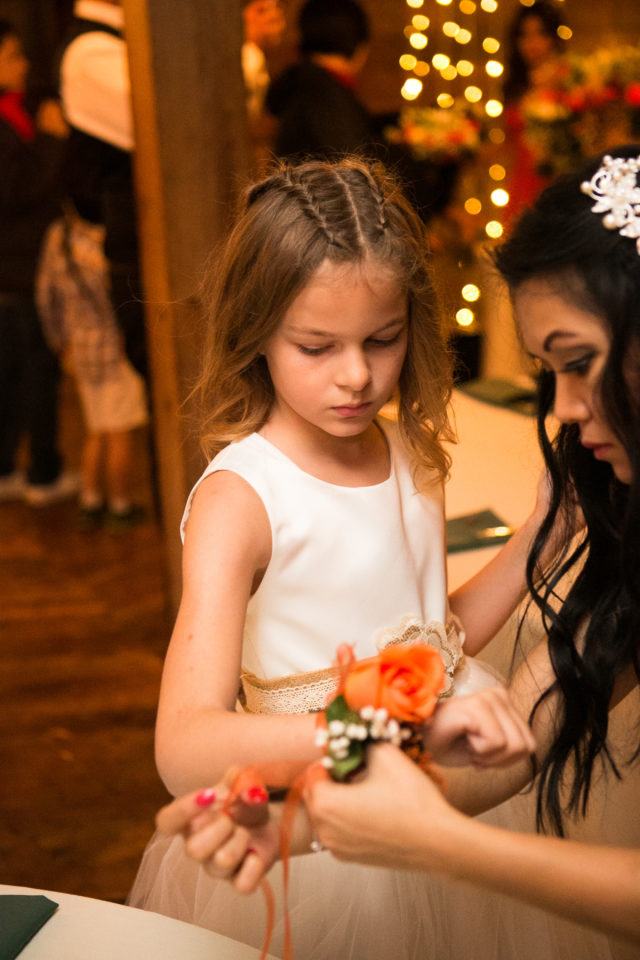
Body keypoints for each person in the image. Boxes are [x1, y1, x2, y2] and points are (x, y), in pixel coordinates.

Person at [163, 147, 640, 956]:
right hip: (372, 789)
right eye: (317, 347)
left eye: (580, 363)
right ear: (257, 333)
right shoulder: (243, 496)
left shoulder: (412, 455)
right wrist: (336, 785)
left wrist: (402, 736)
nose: (355, 375)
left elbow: (432, 637)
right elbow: (186, 742)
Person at [0, 19, 78, 506]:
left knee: (11, 367)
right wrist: (51, 140)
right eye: (12, 56)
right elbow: (16, 193)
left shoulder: (13, 111)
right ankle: (43, 472)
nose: (24, 64)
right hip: (18, 264)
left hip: (17, 263)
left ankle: (7, 465)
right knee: (35, 367)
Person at [36, 204, 148, 530]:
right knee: (119, 432)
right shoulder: (103, 239)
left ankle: (90, 500)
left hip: (79, 349)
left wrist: (58, 339)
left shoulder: (59, 236)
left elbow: (45, 296)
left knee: (97, 428)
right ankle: (120, 505)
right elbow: (119, 293)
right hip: (115, 348)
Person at [502, 1, 578, 228]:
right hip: (523, 184)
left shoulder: (570, 80)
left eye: (540, 34)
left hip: (561, 183)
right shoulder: (516, 85)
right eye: (524, 36)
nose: (532, 44)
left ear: (554, 37)